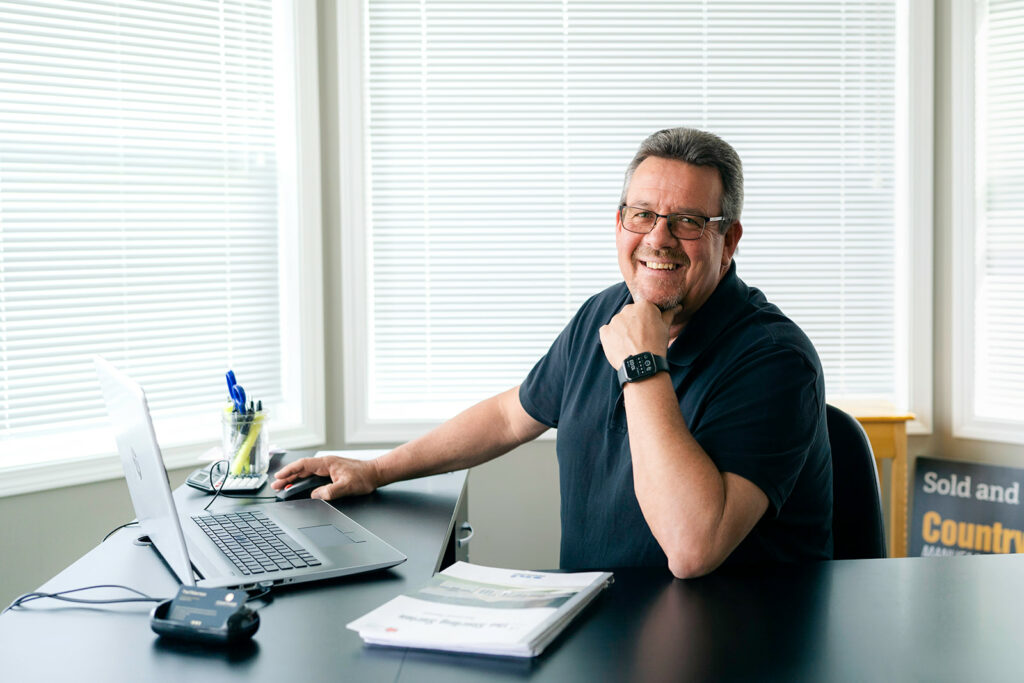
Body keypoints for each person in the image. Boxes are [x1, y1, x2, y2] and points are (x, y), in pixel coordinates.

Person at [273, 127, 833, 578]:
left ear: (729, 240)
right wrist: (374, 469)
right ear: (619, 223)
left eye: (687, 221)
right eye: (642, 215)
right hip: (597, 625)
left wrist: (643, 367)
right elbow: (508, 417)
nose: (658, 238)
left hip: (732, 648)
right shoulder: (603, 313)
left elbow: (692, 549)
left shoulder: (776, 360)